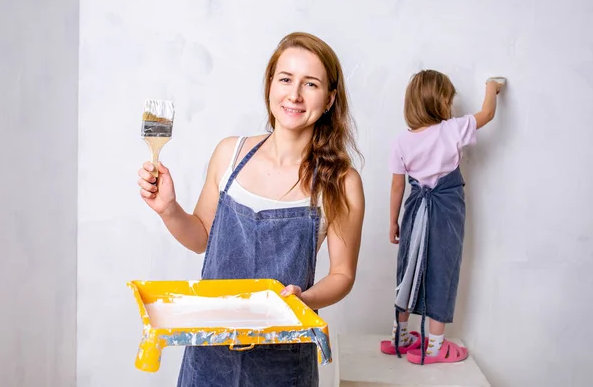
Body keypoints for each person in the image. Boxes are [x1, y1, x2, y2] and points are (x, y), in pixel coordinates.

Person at [137, 32, 365, 386]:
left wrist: (302, 299)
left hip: (284, 363)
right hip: (209, 357)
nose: (294, 94)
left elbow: (342, 275)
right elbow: (201, 237)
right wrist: (168, 209)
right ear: (270, 84)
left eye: (311, 84)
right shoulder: (230, 153)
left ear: (331, 98)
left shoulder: (341, 181)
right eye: (285, 79)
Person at [380, 70, 504, 365]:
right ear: (441, 102)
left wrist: (393, 221)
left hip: (413, 212)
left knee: (408, 269)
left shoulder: (401, 142)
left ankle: (401, 336)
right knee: (442, 270)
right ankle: (435, 346)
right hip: (446, 212)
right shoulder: (452, 130)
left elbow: (397, 186)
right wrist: (492, 86)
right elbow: (487, 113)